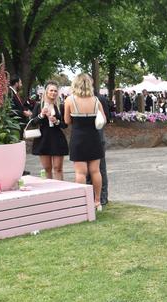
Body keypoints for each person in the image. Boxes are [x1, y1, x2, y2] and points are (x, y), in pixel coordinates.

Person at [64, 73, 106, 210]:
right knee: (95, 171)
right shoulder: (96, 100)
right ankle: (97, 201)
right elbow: (103, 119)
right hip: (94, 138)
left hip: (78, 138)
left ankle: (82, 202)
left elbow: (67, 121)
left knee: (80, 173)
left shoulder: (70, 100)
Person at [31, 81, 69, 180]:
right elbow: (33, 122)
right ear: (46, 92)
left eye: (55, 91)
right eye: (51, 90)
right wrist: (41, 115)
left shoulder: (60, 106)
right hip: (43, 139)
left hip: (57, 139)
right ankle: (51, 191)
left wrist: (56, 121)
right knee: (47, 168)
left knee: (58, 168)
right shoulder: (39, 106)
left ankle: (61, 191)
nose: (53, 92)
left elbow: (65, 125)